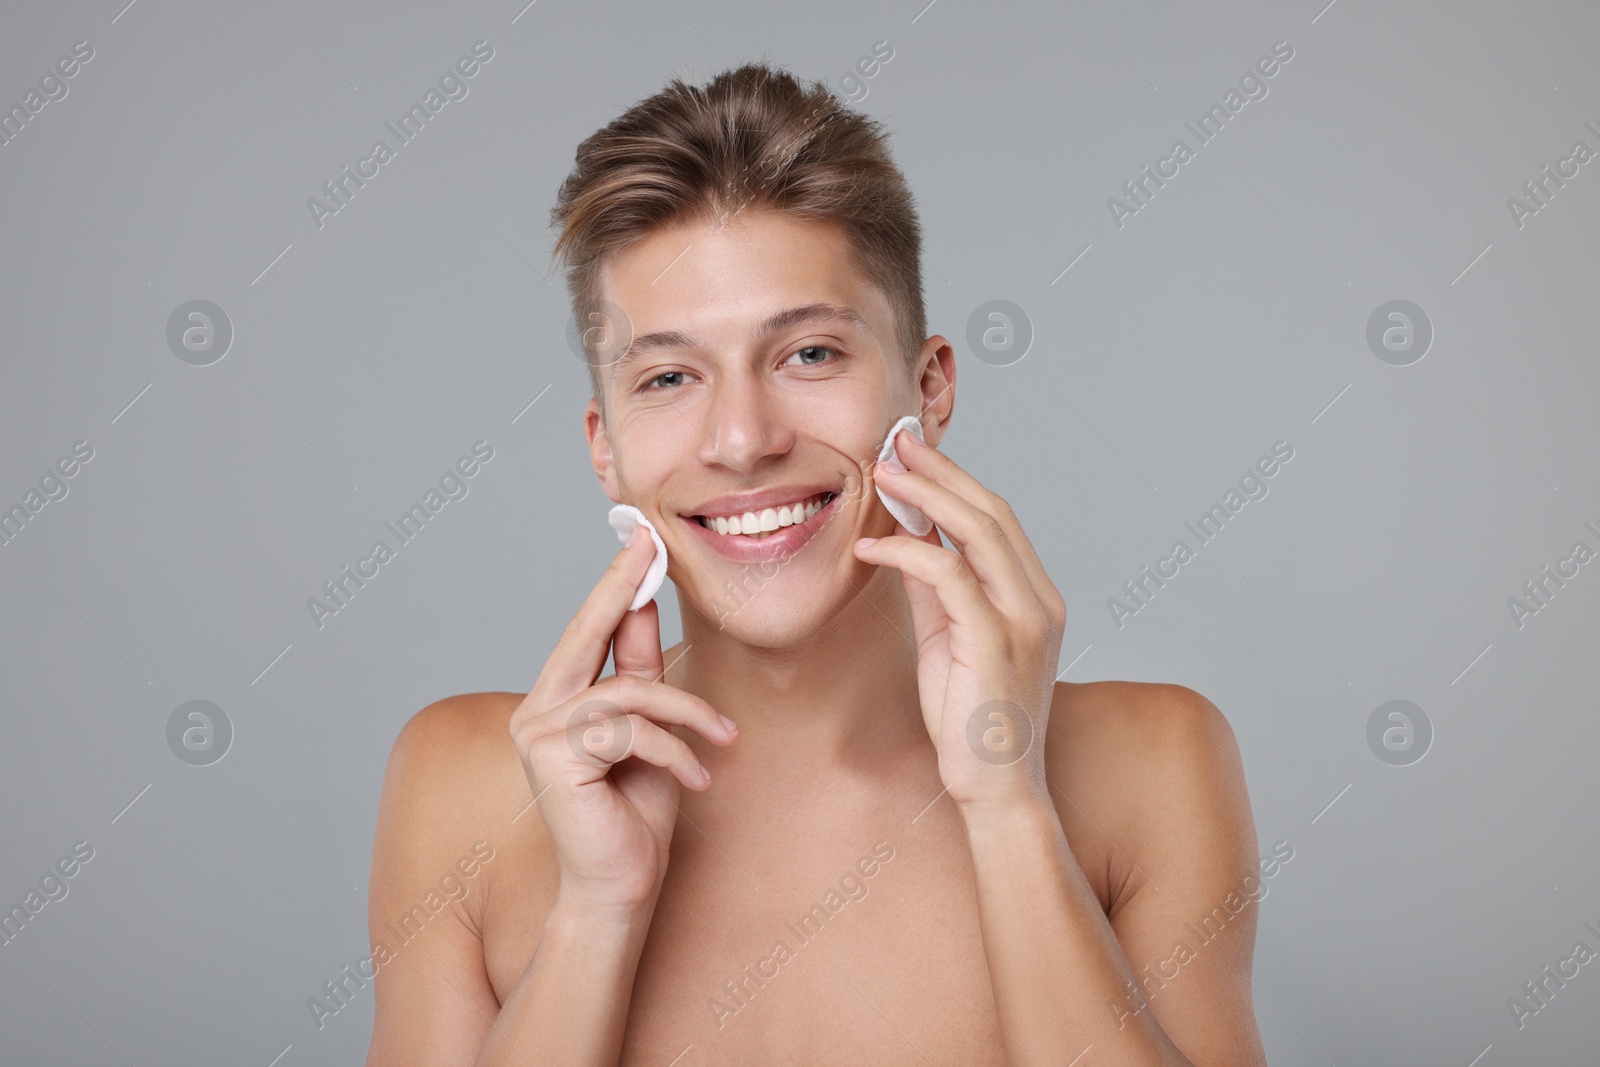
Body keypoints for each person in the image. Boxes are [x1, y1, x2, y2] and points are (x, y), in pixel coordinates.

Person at [365, 61, 1268, 1066]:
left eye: (809, 355)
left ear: (927, 387)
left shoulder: (1148, 767)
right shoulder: (464, 788)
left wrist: (1008, 810)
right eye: (667, 376)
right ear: (604, 444)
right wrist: (596, 913)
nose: (743, 438)